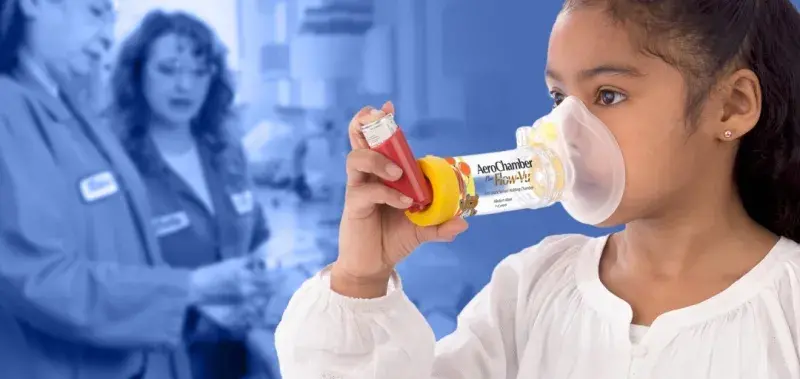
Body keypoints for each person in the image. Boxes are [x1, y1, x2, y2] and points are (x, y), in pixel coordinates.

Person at [274, 0, 800, 378]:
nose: (565, 130)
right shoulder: (530, 289)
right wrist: (361, 280)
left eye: (608, 95)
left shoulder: (790, 308)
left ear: (731, 106)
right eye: (557, 98)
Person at [0, 1, 271, 378]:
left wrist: (200, 304)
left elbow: (124, 263)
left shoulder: (74, 114)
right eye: (95, 11)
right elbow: (40, 281)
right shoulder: (10, 112)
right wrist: (190, 288)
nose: (107, 36)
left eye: (111, 17)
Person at [110, 10, 277, 379]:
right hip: (160, 360)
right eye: (168, 70)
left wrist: (264, 280)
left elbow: (258, 239)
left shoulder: (227, 152)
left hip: (238, 356)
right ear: (137, 74)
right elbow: (107, 280)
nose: (184, 85)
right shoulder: (116, 163)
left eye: (199, 72)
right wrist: (199, 299)